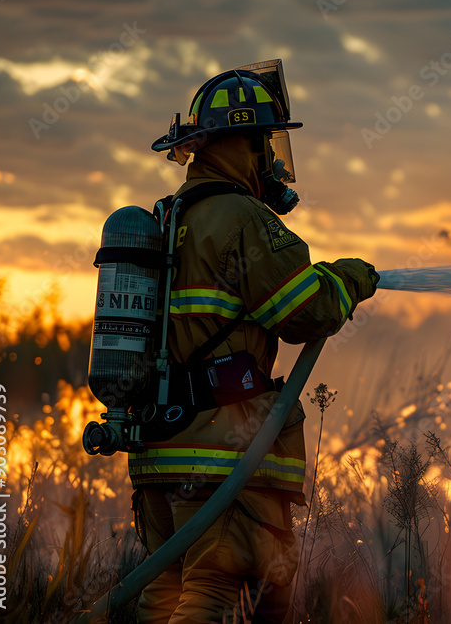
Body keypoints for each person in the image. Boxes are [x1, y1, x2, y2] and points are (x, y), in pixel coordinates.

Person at [131, 61, 379, 622]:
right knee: (219, 594)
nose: (272, 159)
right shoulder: (241, 218)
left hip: (159, 454)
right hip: (222, 453)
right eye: (265, 142)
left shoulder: (169, 219)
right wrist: (349, 278)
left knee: (164, 594)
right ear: (240, 144)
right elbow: (306, 313)